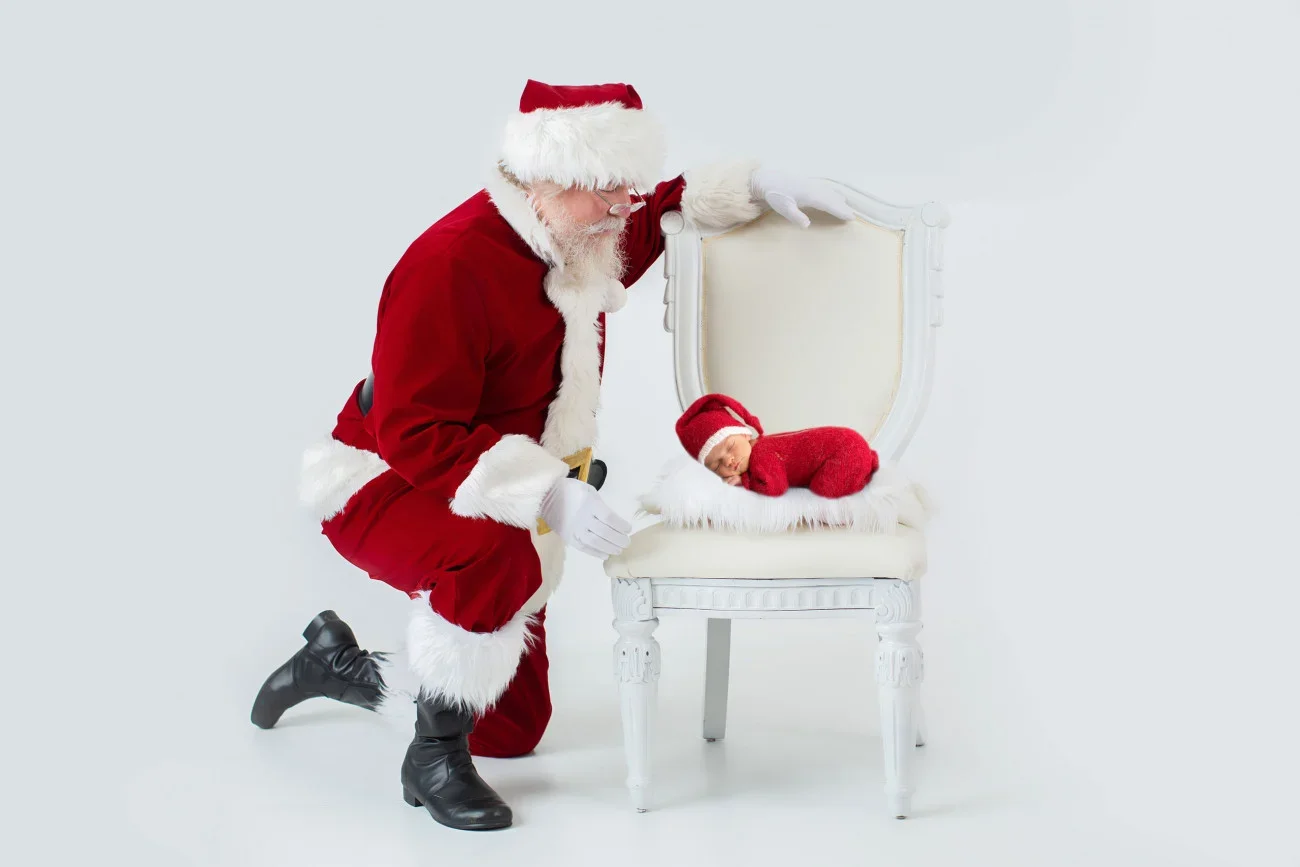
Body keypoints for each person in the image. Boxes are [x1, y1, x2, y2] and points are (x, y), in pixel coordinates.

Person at [250, 79, 856, 831]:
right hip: (382, 479)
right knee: (494, 557)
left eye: (627, 188)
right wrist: (547, 492)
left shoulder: (580, 237)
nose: (623, 207)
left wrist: (754, 185)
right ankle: (431, 758)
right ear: (543, 178)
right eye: (606, 190)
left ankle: (338, 665)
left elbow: (656, 211)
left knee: (512, 729)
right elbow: (414, 432)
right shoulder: (449, 263)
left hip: (493, 484)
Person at [676, 393, 879, 498]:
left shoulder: (761, 454)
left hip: (846, 450)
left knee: (823, 493)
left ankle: (861, 477)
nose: (728, 461)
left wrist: (745, 482)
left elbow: (775, 487)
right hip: (850, 444)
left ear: (745, 434)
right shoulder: (763, 445)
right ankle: (863, 468)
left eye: (730, 447)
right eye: (717, 465)